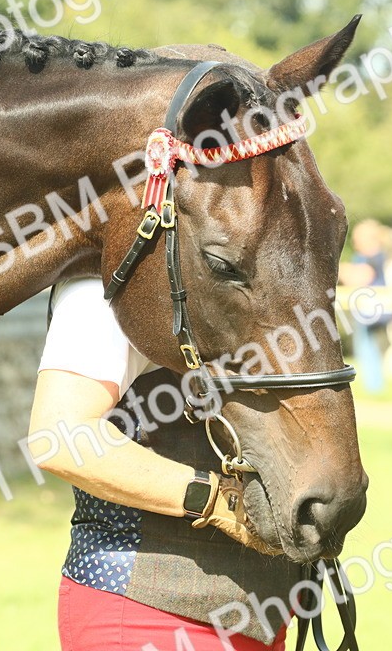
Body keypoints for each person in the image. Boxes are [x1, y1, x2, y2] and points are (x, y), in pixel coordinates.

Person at [30, 277, 290, 651]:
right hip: (146, 612)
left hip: (259, 612)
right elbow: (61, 437)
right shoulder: (99, 287)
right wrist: (218, 501)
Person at [339, 219, 392, 394]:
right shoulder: (365, 257)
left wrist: (341, 270)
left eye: (358, 239)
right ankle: (374, 386)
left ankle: (374, 387)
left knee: (368, 347)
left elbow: (359, 278)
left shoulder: (374, 257)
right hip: (365, 311)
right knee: (368, 346)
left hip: (372, 312)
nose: (355, 243)